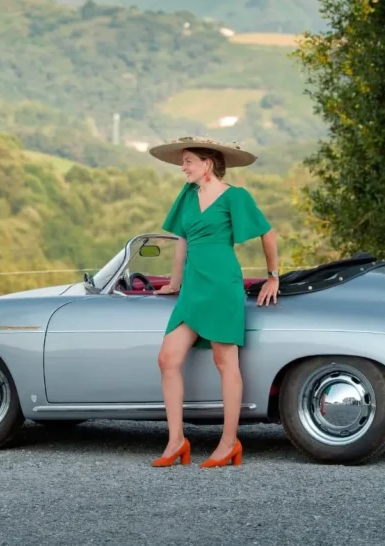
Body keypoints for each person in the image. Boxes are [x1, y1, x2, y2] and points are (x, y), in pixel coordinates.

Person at [147, 136, 279, 469]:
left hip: (222, 286)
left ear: (207, 164)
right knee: (168, 358)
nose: (183, 166)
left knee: (225, 363)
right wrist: (173, 284)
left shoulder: (235, 196)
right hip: (193, 289)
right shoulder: (187, 196)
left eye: (188, 160)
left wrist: (273, 275)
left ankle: (229, 442)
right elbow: (182, 240)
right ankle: (176, 441)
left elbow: (268, 233)